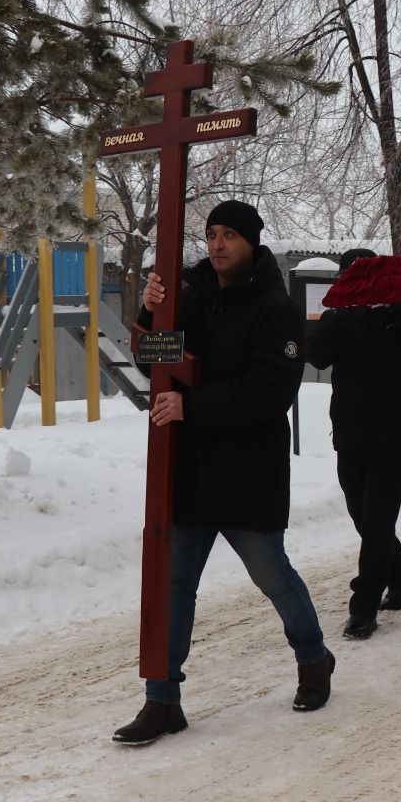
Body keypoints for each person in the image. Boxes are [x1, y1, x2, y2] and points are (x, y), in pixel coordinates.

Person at [113, 201, 332, 746]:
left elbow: (271, 390)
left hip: (247, 469)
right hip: (189, 468)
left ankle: (313, 658)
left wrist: (194, 407)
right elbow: (154, 360)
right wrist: (148, 314)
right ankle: (162, 701)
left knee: (270, 574)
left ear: (253, 242)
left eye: (229, 234)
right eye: (211, 234)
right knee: (175, 586)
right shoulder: (192, 296)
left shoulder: (274, 308)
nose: (216, 244)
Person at [306, 250, 401, 641]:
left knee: (377, 522)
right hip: (350, 434)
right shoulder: (338, 315)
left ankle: (363, 607)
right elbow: (315, 355)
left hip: (394, 437)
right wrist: (341, 314)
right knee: (363, 518)